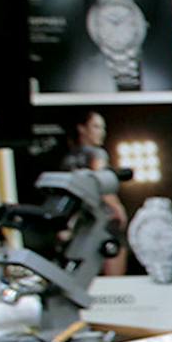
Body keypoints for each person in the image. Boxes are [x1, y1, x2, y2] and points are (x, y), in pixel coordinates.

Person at [60, 109, 128, 276]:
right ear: (82, 129)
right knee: (114, 273)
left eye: (103, 128)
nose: (101, 132)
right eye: (96, 127)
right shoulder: (97, 153)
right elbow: (101, 183)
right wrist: (117, 208)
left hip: (79, 220)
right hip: (103, 217)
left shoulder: (68, 157)